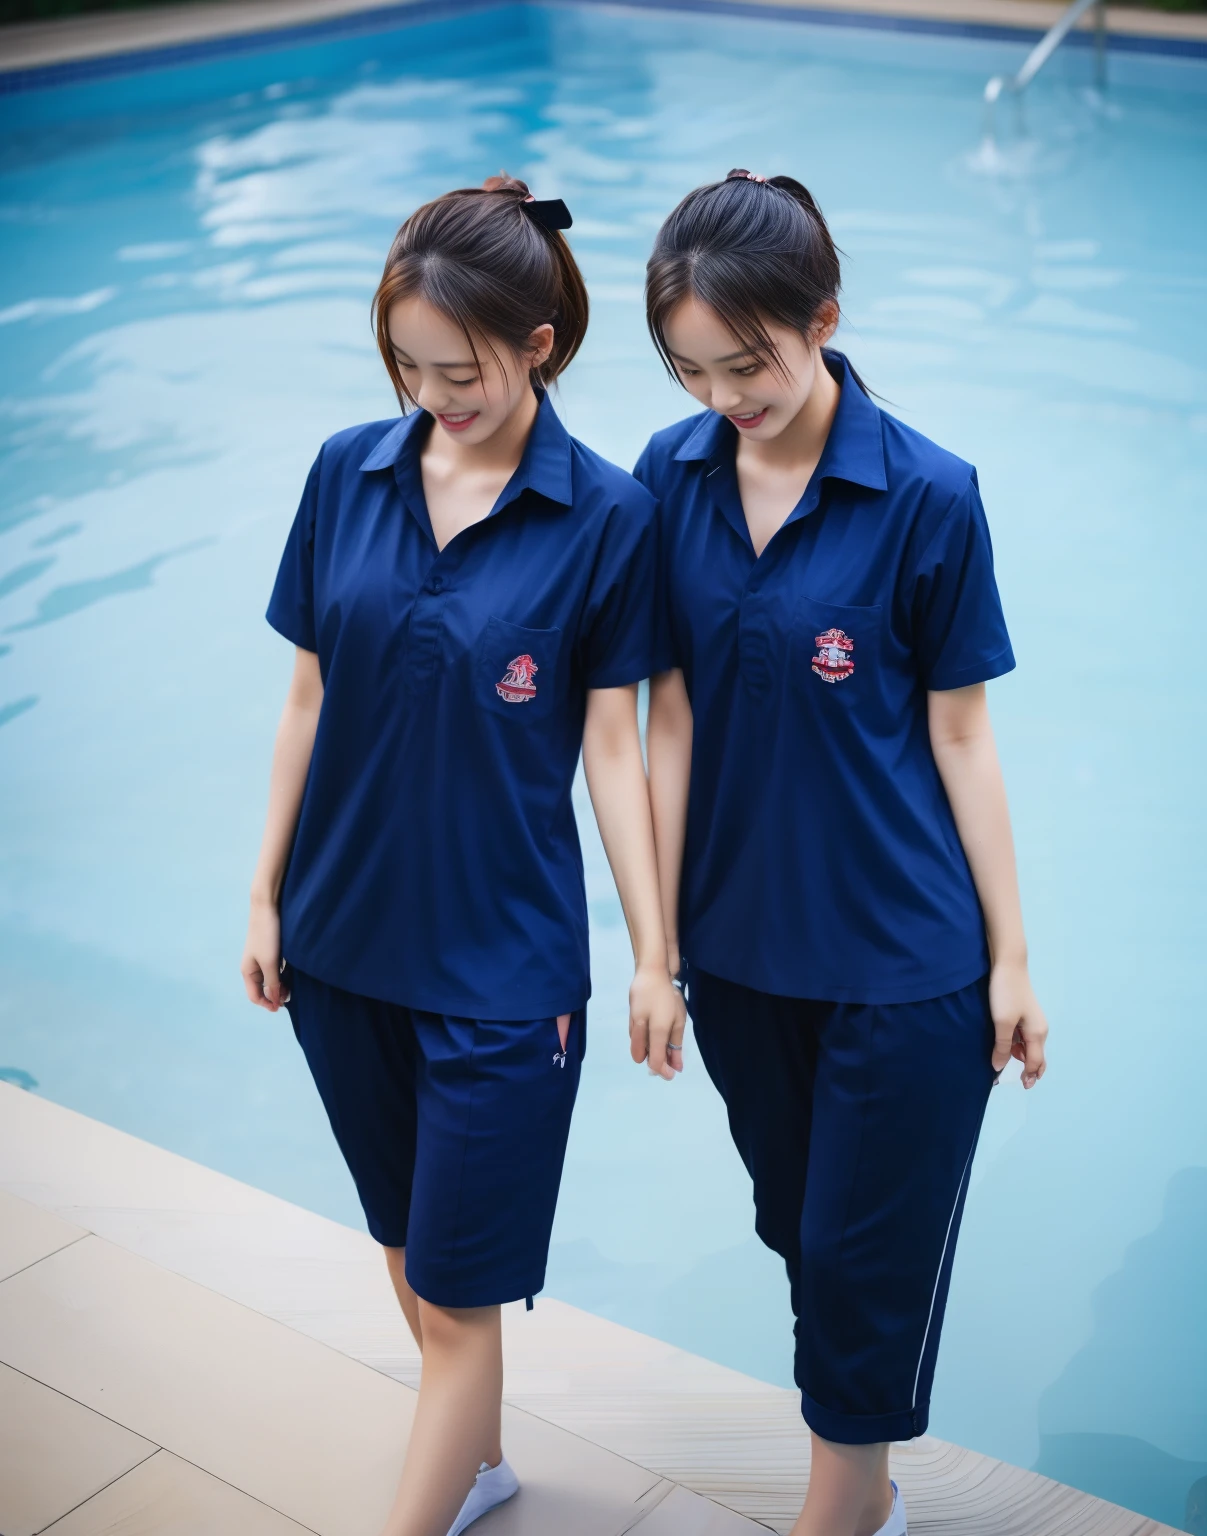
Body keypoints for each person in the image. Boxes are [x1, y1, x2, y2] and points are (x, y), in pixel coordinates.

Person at [240, 175, 685, 1536]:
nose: (437, 396)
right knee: (409, 1257)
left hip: (502, 974)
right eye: (409, 368)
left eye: (465, 369)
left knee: (458, 1294)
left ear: (541, 340)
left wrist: (654, 958)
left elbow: (616, 749)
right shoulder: (344, 472)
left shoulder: (609, 517)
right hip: (340, 945)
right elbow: (309, 697)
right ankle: (479, 1470)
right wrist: (263, 894)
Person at [639, 169, 1049, 1536]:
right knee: (802, 1235)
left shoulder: (930, 493)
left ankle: (840, 1513)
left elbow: (964, 741)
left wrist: (1013, 959)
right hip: (741, 958)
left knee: (862, 1261)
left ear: (823, 316)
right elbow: (670, 716)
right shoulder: (670, 475)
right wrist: (658, 947)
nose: (724, 398)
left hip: (902, 960)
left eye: (747, 362)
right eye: (692, 370)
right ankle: (868, 1500)